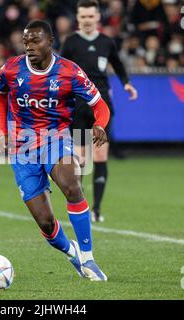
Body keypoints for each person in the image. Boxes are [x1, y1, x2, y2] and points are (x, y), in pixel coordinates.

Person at [0, 19, 111, 281]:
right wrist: (2, 132)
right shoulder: (12, 69)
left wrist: (100, 124)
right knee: (46, 223)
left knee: (71, 183)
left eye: (35, 41)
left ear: (50, 42)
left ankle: (89, 258)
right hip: (22, 147)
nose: (29, 46)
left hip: (56, 138)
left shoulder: (69, 72)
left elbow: (100, 106)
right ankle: (73, 255)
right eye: (26, 41)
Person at [60, 0, 138, 222]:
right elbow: (61, 70)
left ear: (97, 18)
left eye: (90, 16)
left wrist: (127, 84)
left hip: (101, 105)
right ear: (78, 18)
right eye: (83, 16)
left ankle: (96, 209)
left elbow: (118, 64)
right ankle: (80, 207)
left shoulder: (106, 42)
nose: (86, 20)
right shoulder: (71, 42)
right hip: (77, 106)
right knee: (79, 160)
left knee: (101, 155)